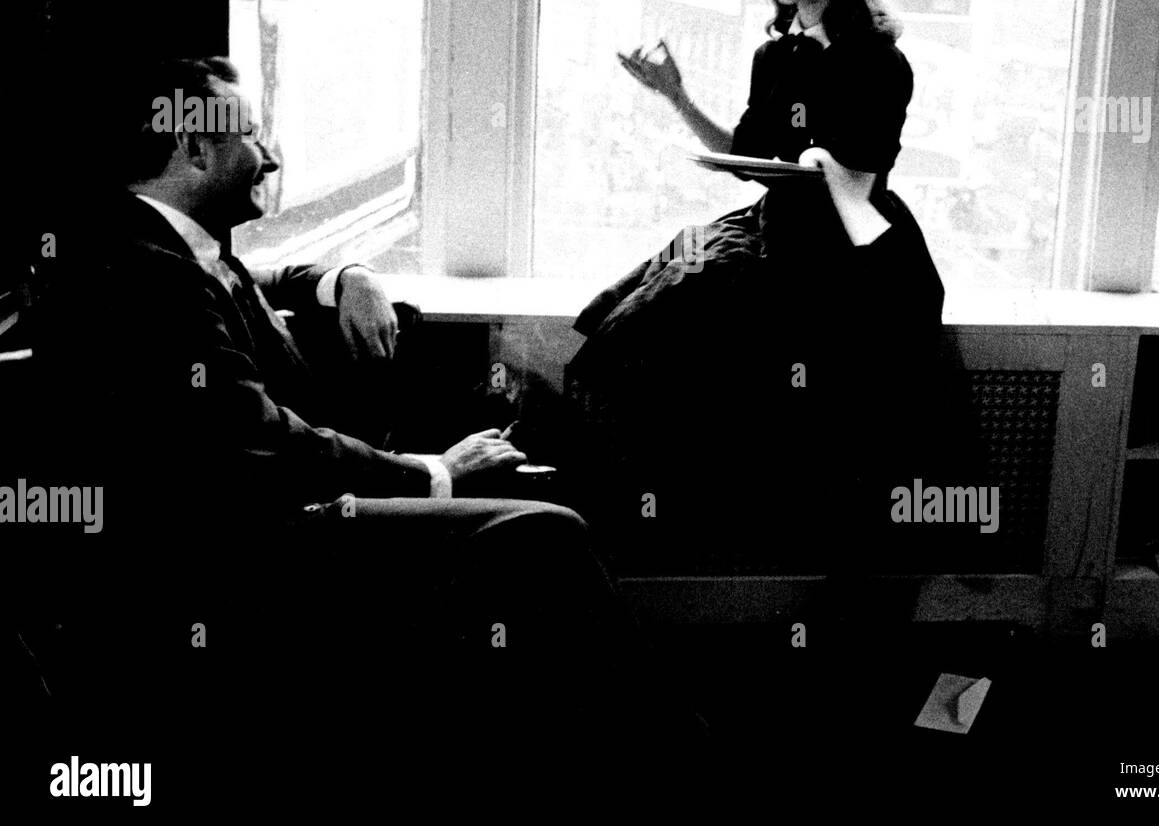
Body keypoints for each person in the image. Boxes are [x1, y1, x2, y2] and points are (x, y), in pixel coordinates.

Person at [27, 56, 691, 772]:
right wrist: (433, 474)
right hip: (245, 554)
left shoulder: (174, 244)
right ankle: (669, 765)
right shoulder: (140, 274)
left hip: (278, 515)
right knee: (540, 533)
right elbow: (259, 442)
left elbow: (268, 278)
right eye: (251, 135)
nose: (270, 155)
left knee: (532, 454)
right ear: (193, 150)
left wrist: (344, 277)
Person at [567, 0, 966, 573]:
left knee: (841, 430)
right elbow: (748, 158)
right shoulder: (773, 55)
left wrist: (803, 161)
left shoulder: (880, 62)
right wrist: (675, 93)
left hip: (850, 245)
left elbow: (853, 178)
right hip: (775, 226)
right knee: (624, 327)